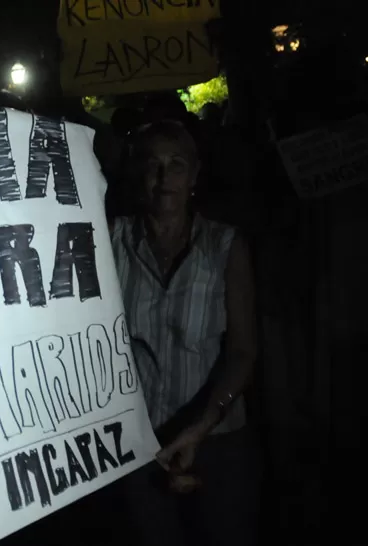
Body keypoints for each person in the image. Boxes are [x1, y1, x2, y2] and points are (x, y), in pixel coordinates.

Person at [109, 120, 260, 545]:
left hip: (217, 439)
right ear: (138, 174)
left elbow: (244, 351)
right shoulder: (113, 240)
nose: (164, 178)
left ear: (194, 175)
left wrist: (201, 426)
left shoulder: (224, 246)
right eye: (152, 165)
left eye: (176, 165)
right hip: (141, 444)